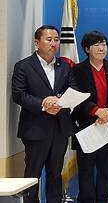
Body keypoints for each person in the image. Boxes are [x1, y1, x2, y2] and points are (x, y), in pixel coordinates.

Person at [11, 25, 78, 203]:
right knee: (32, 175)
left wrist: (58, 100)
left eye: (56, 39)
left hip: (60, 127)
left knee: (55, 173)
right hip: (35, 128)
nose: (54, 43)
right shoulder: (24, 66)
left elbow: (73, 88)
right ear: (37, 42)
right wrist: (43, 103)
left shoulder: (64, 65)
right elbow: (18, 94)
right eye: (49, 39)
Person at [72, 31, 108, 203]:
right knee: (86, 169)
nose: (102, 48)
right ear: (87, 49)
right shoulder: (78, 70)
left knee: (105, 169)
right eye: (97, 45)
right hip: (86, 125)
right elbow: (75, 95)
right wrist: (96, 110)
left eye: (104, 44)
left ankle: (104, 199)